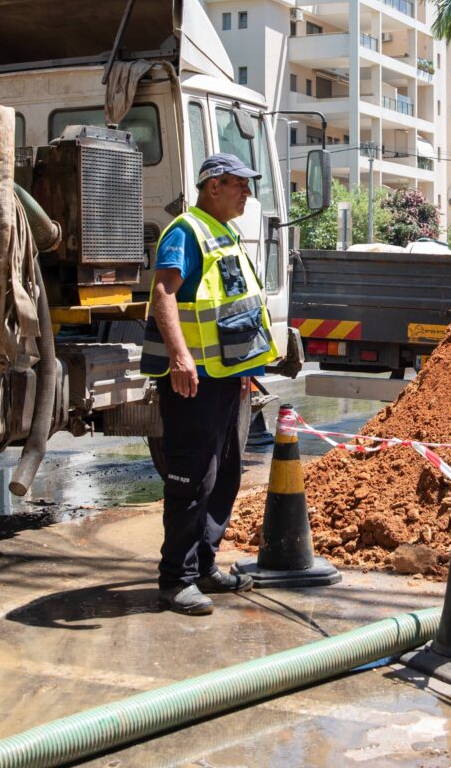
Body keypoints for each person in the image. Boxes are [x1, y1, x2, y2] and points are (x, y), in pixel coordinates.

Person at [139, 153, 279, 614]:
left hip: (224, 379)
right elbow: (164, 293)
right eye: (240, 184)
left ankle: (203, 565)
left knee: (224, 476)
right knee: (191, 478)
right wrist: (180, 356)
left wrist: (245, 370)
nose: (248, 194)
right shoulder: (187, 231)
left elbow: (235, 308)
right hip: (192, 380)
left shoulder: (223, 232)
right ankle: (175, 579)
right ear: (213, 186)